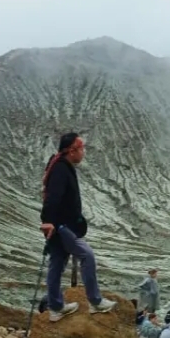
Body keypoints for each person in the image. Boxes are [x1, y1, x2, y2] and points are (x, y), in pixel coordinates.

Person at [39, 132, 117, 322]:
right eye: (81, 148)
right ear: (71, 151)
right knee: (87, 256)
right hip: (62, 226)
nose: (83, 152)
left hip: (60, 226)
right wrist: (48, 221)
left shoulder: (61, 166)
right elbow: (53, 197)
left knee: (56, 264)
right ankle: (95, 302)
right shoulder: (60, 170)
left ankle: (56, 308)